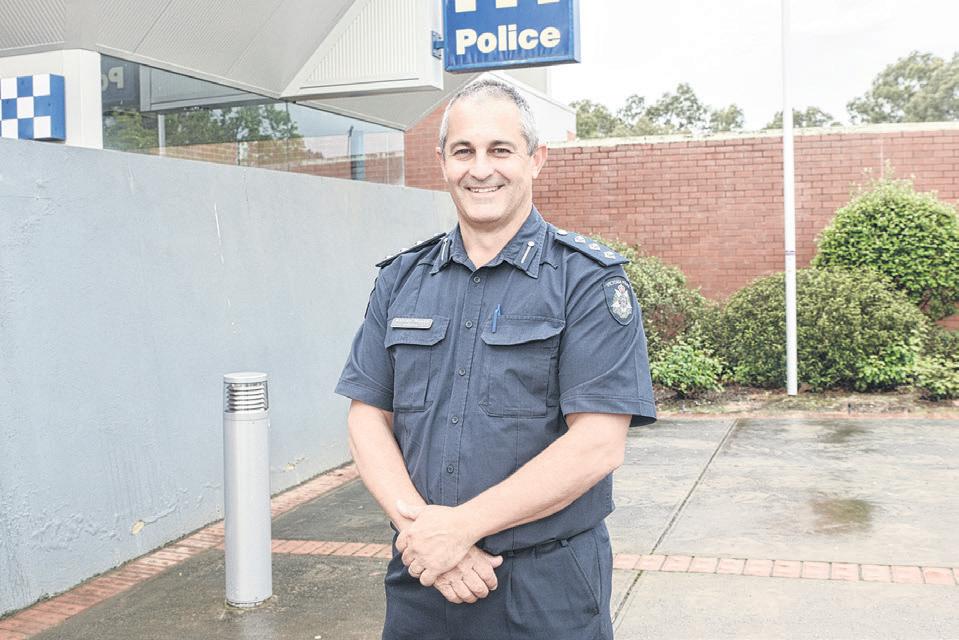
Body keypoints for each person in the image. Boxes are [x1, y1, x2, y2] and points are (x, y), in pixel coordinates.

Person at [334, 78, 656, 640]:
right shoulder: (401, 280)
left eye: (500, 149)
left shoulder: (586, 281)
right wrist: (425, 535)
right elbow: (367, 417)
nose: (480, 169)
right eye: (464, 151)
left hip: (547, 588)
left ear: (536, 159)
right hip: (422, 577)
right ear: (443, 162)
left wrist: (460, 528)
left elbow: (598, 444)